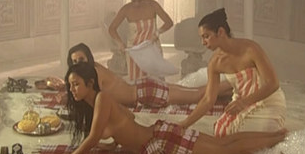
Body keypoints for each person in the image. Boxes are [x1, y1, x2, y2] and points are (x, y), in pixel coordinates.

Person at [46, 62, 284, 154]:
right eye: (70, 85)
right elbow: (127, 120)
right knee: (221, 145)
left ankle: (278, 138)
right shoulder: (101, 102)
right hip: (159, 136)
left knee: (224, 152)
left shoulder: (102, 99)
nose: (72, 89)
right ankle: (278, 137)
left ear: (90, 83)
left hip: (162, 143)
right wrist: (114, 143)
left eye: (76, 84)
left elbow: (93, 137)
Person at [179, 8, 287, 137]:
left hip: (267, 102)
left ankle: (276, 135)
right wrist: (184, 124)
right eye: (201, 38)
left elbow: (273, 84)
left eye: (206, 36)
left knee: (250, 134)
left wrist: (244, 102)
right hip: (241, 105)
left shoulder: (251, 49)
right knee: (221, 132)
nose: (203, 43)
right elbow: (208, 99)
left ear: (220, 32)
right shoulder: (215, 63)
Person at [64, 42, 230, 109]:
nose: (78, 63)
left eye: (81, 59)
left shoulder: (94, 73)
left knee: (197, 95)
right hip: (144, 87)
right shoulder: (91, 70)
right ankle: (231, 87)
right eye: (74, 61)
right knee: (195, 92)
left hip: (146, 92)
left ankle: (234, 81)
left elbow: (94, 103)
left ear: (88, 57)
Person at [108, 0, 174, 80]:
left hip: (152, 48)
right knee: (137, 81)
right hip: (134, 51)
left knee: (156, 80)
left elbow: (169, 22)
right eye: (134, 1)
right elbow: (112, 29)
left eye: (140, 1)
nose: (137, 4)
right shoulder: (126, 9)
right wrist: (120, 43)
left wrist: (157, 32)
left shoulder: (153, 5)